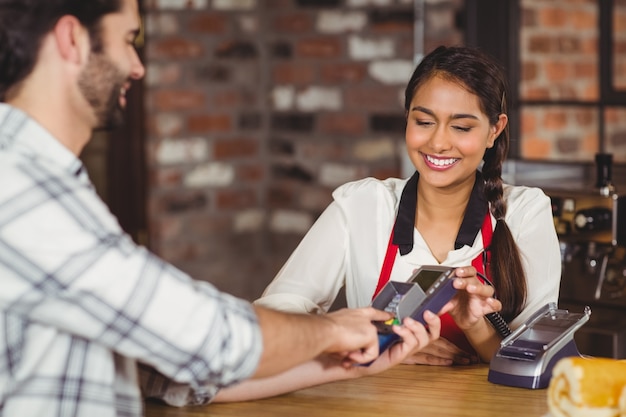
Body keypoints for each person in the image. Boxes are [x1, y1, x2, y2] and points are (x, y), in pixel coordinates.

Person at [0, 0, 443, 415]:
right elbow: (207, 337)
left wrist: (351, 361)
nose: (137, 66)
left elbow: (167, 372)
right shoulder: (21, 191)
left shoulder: (48, 183)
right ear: (72, 39)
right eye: (127, 40)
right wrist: (335, 330)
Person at [255, 45, 562, 365]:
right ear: (407, 119)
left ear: (493, 130)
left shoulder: (525, 212)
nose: (439, 143)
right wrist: (378, 341)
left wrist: (476, 326)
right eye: (424, 122)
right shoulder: (362, 205)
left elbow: (536, 360)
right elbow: (273, 315)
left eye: (461, 127)